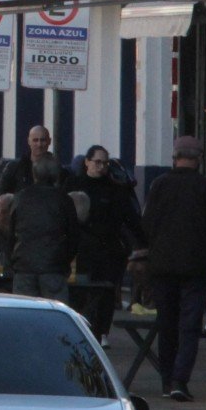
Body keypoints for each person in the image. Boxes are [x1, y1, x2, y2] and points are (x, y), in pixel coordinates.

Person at [141, 137, 206, 402]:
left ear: (174, 157)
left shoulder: (159, 185)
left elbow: (146, 226)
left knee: (167, 323)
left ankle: (165, 379)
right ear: (200, 159)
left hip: (162, 266)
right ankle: (180, 381)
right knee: (190, 325)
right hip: (196, 267)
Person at [63, 145, 145, 341]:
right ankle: (82, 329)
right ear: (87, 162)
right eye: (97, 162)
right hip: (81, 250)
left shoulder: (115, 189)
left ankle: (102, 331)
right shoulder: (74, 184)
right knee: (81, 291)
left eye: (105, 163)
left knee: (106, 292)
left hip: (108, 249)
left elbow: (130, 218)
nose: (101, 167)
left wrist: (142, 242)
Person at [0, 154, 80, 299]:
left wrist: (14, 261)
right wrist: (64, 262)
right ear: (56, 175)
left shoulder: (20, 198)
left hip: (23, 267)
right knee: (53, 314)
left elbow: (10, 234)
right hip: (54, 267)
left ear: (34, 173)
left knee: (25, 314)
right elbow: (74, 237)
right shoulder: (64, 200)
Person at [0, 124, 56, 195]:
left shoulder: (57, 169)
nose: (39, 144)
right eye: (35, 140)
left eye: (43, 140)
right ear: (29, 141)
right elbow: (0, 196)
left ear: (49, 141)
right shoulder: (13, 168)